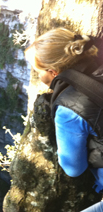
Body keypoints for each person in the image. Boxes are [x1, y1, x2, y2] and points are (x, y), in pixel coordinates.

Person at [25, 27, 103, 212]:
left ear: (53, 72)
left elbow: (73, 168)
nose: (38, 76)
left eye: (38, 71)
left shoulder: (69, 107)